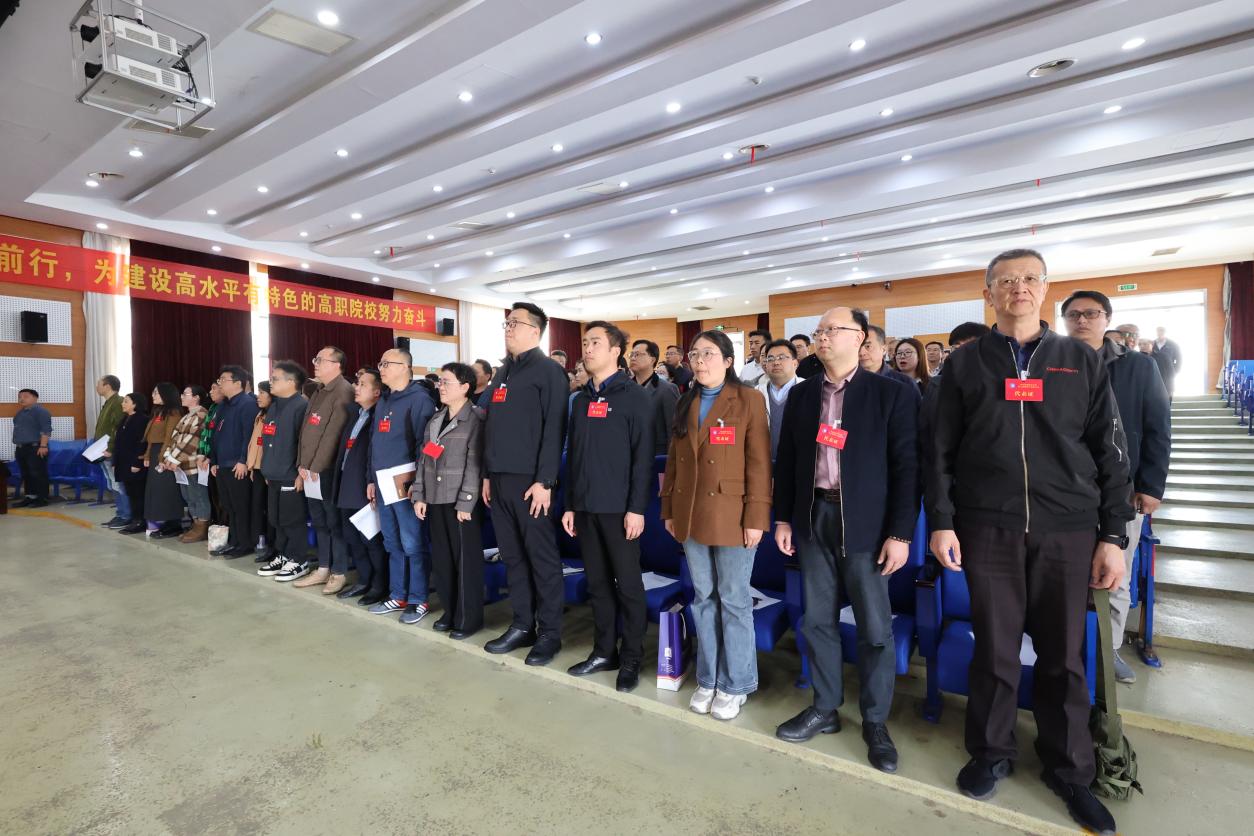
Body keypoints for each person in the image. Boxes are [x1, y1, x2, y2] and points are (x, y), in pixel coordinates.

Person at [926, 248, 1132, 835]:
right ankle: (991, 751)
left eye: (1030, 279)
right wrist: (942, 520)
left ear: (1045, 290)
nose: (1019, 288)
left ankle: (1070, 768)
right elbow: (939, 451)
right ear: (988, 293)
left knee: (1063, 654)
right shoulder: (964, 365)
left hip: (1067, 527)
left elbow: (1111, 451)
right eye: (1007, 280)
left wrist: (1112, 535)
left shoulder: (1079, 359)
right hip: (987, 525)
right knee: (994, 647)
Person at [772, 307, 919, 773]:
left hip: (866, 523)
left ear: (860, 338)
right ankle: (825, 707)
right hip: (814, 516)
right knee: (817, 620)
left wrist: (900, 533)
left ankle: (874, 720)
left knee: (875, 629)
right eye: (818, 330)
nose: (822, 337)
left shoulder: (890, 393)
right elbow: (789, 461)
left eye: (832, 329)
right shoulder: (803, 394)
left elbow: (907, 469)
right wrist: (784, 518)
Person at [1062, 290, 1171, 684]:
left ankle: (1107, 653)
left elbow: (1158, 426)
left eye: (1091, 313)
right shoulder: (1053, 364)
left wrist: (1151, 485)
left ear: (1107, 319)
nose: (1082, 321)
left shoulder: (1138, 366)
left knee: (1115, 574)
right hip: (1065, 490)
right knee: (1065, 575)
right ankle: (1068, 651)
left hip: (1123, 488)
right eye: (1074, 315)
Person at [661, 329, 771, 721]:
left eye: (708, 353)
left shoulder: (748, 399)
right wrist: (668, 510)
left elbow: (760, 463)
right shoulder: (685, 400)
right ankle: (708, 678)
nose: (699, 360)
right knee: (703, 597)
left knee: (734, 600)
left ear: (728, 360)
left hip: (733, 514)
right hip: (690, 513)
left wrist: (756, 517)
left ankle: (736, 683)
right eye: (694, 354)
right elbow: (673, 461)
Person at [563, 322, 654, 692]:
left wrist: (637, 508)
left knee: (628, 586)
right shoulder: (581, 399)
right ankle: (604, 652)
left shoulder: (634, 397)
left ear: (616, 351)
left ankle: (631, 657)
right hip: (586, 506)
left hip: (620, 510)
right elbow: (574, 456)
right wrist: (570, 504)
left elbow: (643, 458)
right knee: (598, 584)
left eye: (596, 343)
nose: (587, 349)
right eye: (585, 343)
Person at [481, 303, 569, 665]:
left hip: (532, 483)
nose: (508, 328)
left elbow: (554, 429)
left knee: (541, 559)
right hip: (499, 479)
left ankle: (549, 633)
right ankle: (522, 624)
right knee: (513, 556)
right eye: (506, 323)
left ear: (536, 331)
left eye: (515, 323)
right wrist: (488, 474)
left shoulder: (549, 372)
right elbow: (491, 425)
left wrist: (545, 480)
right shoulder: (503, 372)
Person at [413, 362, 486, 639]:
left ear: (465, 387)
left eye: (447, 382)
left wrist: (466, 503)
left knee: (465, 562)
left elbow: (475, 465)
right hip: (435, 497)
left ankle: (468, 619)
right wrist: (419, 495)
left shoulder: (476, 419)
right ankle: (450, 611)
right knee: (442, 559)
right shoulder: (435, 419)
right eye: (440, 382)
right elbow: (424, 460)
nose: (441, 387)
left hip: (460, 502)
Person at [368, 347, 437, 624]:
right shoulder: (384, 400)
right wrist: (370, 479)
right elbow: (374, 444)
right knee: (392, 542)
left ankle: (419, 598)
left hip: (405, 484)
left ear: (405, 367)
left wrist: (418, 484)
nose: (381, 368)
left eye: (387, 363)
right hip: (382, 483)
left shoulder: (419, 400)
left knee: (413, 542)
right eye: (381, 363)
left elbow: (425, 446)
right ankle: (398, 595)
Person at [293, 346, 355, 591]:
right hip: (310, 470)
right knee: (319, 521)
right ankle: (323, 568)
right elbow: (306, 432)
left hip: (324, 470)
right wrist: (302, 464)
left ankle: (339, 572)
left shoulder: (343, 391)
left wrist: (314, 467)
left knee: (333, 522)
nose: (315, 364)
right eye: (315, 359)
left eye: (321, 360)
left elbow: (333, 435)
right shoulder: (319, 390)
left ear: (336, 365)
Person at [331, 368, 389, 604]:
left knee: (371, 539)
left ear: (377, 392)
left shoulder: (379, 416)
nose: (356, 387)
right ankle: (364, 580)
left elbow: (377, 455)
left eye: (363, 384)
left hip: (365, 486)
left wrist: (371, 481)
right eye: (357, 383)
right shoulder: (356, 414)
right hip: (347, 483)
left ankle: (379, 585)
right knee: (352, 537)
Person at [256, 362, 312, 581]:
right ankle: (284, 554)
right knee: (276, 518)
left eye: (275, 378)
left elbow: (304, 443)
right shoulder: (275, 405)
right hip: (273, 473)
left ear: (291, 382)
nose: (271, 382)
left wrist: (300, 473)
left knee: (292, 519)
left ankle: (299, 559)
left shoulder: (301, 406)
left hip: (291, 474)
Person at [210, 366, 260, 558]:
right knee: (229, 505)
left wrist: (243, 460)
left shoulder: (247, 404)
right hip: (222, 464)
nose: (220, 383)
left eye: (224, 380)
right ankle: (235, 541)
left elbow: (249, 435)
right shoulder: (224, 405)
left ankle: (245, 543)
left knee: (241, 506)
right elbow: (217, 434)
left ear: (238, 383)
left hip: (237, 465)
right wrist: (214, 460)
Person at [161, 385, 210, 542]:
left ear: (196, 397)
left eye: (185, 394)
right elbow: (175, 439)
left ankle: (202, 527)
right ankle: (195, 524)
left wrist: (174, 459)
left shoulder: (201, 414)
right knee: (188, 496)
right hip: (182, 466)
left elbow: (192, 441)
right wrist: (167, 457)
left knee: (198, 496)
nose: (182, 396)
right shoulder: (186, 416)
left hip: (194, 464)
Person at [142, 382, 186, 538]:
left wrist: (162, 457)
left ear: (166, 394)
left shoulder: (173, 413)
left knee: (167, 489)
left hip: (166, 454)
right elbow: (150, 437)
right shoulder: (158, 411)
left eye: (156, 393)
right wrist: (147, 455)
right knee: (156, 490)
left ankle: (174, 523)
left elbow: (170, 437)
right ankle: (162, 521)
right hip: (156, 452)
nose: (153, 395)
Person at [629, 338, 681, 457]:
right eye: (631, 354)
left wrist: (671, 460)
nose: (633, 358)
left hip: (656, 455)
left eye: (638, 354)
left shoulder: (667, 389)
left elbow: (673, 429)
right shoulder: (624, 388)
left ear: (652, 360)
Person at [755, 339, 800, 460]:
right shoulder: (755, 393)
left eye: (782, 357)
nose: (776, 362)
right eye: (770, 359)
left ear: (795, 363)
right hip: (763, 462)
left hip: (798, 463)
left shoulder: (810, 390)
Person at [245, 382, 275, 562]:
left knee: (271, 509)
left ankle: (272, 544)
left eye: (262, 392)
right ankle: (260, 540)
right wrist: (251, 465)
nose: (258, 396)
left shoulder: (274, 415)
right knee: (258, 506)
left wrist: (267, 468)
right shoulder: (260, 414)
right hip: (256, 468)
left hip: (268, 469)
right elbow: (255, 442)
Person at [114, 393, 150, 534]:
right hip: (124, 462)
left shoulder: (142, 420)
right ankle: (134, 519)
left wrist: (137, 463)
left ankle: (140, 521)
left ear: (135, 404)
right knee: (130, 492)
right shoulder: (125, 419)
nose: (122, 404)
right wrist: (116, 461)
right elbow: (118, 442)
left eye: (126, 401)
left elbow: (142, 443)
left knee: (138, 493)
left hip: (134, 463)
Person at [94, 375, 126, 526]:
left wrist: (112, 449)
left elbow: (118, 428)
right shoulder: (108, 403)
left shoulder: (118, 402)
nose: (97, 387)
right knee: (112, 484)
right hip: (103, 450)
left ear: (107, 386)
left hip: (110, 450)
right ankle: (120, 513)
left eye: (99, 384)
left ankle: (125, 515)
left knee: (118, 483)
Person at [11, 388, 51, 508]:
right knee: (26, 474)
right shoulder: (20, 413)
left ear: (35, 398)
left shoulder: (41, 411)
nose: (21, 399)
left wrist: (43, 445)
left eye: (25, 396)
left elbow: (46, 430)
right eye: (20, 396)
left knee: (37, 473)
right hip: (21, 448)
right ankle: (30, 497)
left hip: (36, 447)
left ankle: (42, 498)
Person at [198, 381, 226, 527]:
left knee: (223, 498)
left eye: (214, 388)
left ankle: (224, 527)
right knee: (214, 495)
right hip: (209, 459)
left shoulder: (226, 407)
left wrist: (210, 457)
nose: (210, 392)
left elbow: (221, 437)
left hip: (219, 460)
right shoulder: (213, 408)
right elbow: (206, 433)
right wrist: (202, 454)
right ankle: (216, 524)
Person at [1152, 326, 1182, 399]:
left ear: (1165, 333)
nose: (1160, 333)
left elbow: (1179, 359)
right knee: (1154, 395)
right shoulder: (1152, 344)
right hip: (1154, 374)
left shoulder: (1173, 344)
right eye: (1158, 331)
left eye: (1162, 331)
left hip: (1168, 375)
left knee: (1168, 396)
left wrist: (1174, 371)